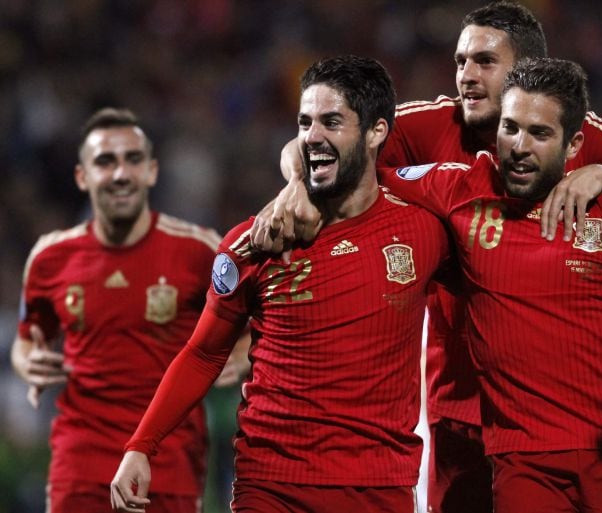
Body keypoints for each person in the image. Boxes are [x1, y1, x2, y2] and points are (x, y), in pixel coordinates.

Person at [251, 2, 602, 511]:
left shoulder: (585, 132)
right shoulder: (432, 125)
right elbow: (320, 138)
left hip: (566, 413)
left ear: (524, 71)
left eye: (484, 62)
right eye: (461, 61)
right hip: (458, 405)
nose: (466, 75)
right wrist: (296, 185)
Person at [110, 55, 450, 513]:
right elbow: (204, 352)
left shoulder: (424, 227)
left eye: (332, 121)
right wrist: (141, 445)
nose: (312, 137)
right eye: (304, 122)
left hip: (378, 487)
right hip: (271, 484)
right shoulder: (255, 243)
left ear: (377, 133)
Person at [377, 56, 602, 512]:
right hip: (523, 463)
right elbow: (365, 177)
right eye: (510, 128)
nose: (519, 146)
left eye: (539, 133)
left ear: (573, 145)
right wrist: (299, 179)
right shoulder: (460, 191)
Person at [10, 107, 242, 512]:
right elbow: (27, 338)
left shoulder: (200, 250)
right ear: (82, 177)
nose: (120, 174)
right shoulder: (50, 258)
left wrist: (237, 357)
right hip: (79, 462)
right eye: (105, 161)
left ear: (151, 171)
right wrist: (28, 360)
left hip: (168, 463)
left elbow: (252, 323)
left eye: (133, 160)